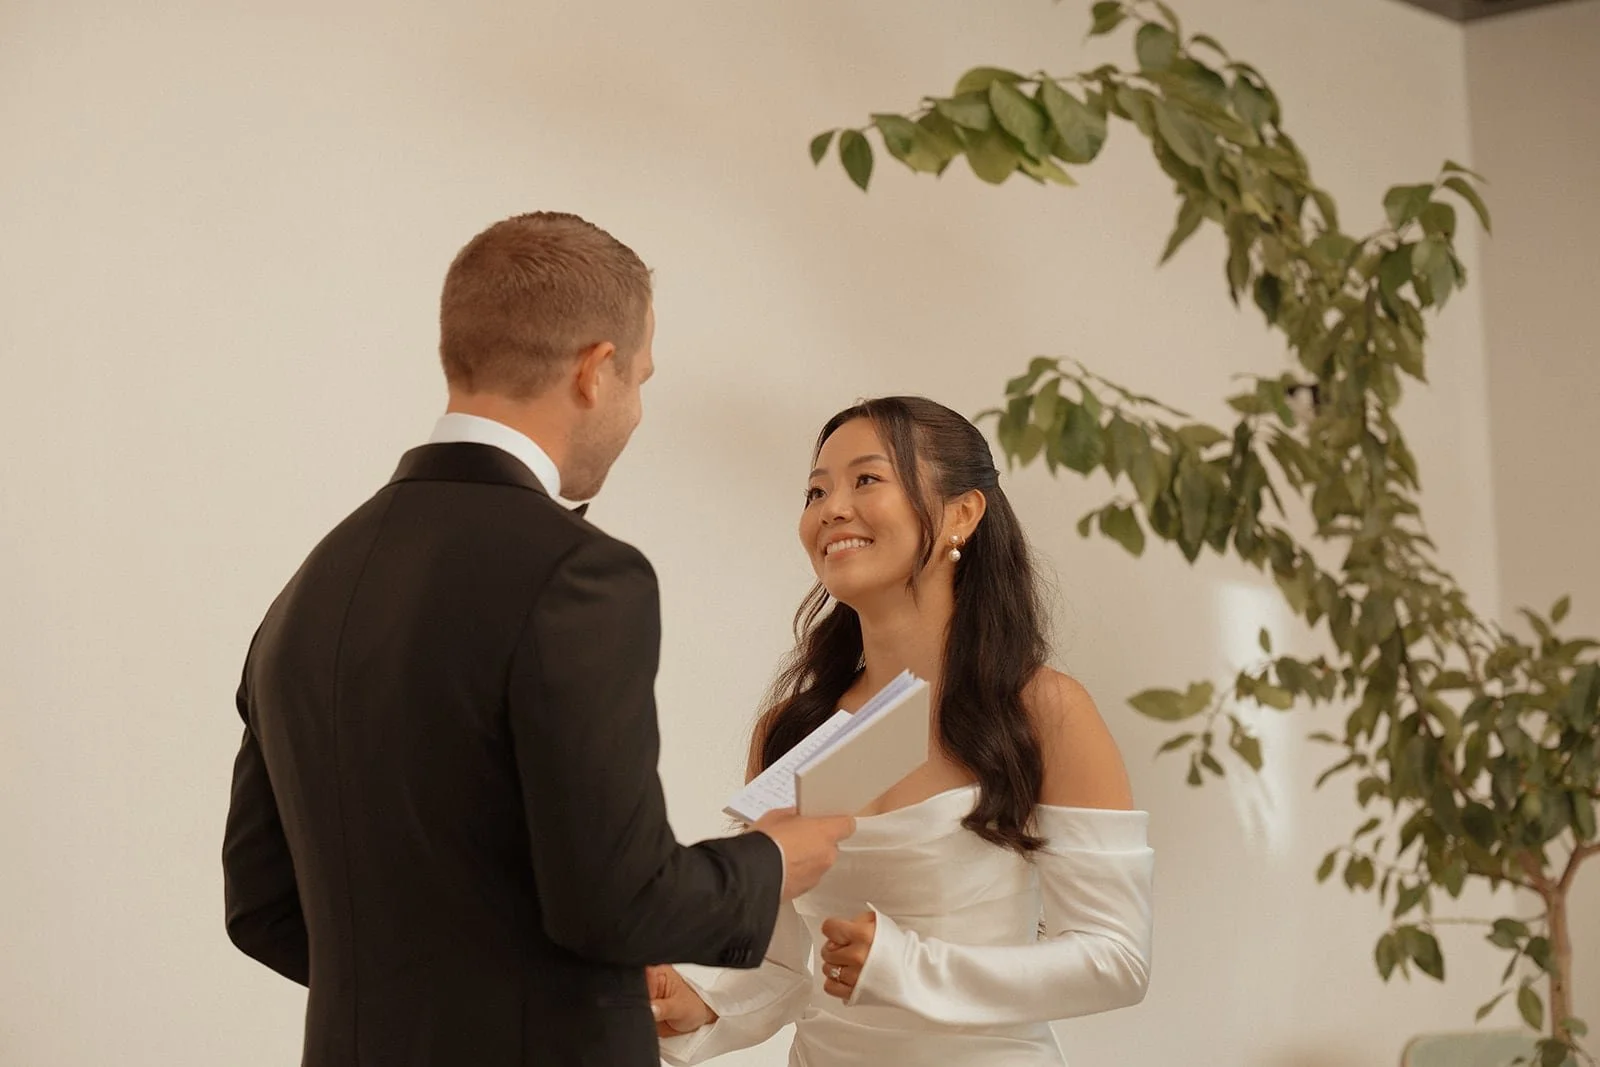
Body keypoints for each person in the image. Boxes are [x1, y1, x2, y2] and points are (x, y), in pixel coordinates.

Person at [221, 212, 855, 1067]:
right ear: (595, 370)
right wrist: (770, 859)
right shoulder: (580, 573)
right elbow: (617, 899)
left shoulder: (311, 586)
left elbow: (262, 907)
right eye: (640, 379)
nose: (636, 411)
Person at [647, 396, 1155, 1066]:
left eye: (866, 479)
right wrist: (700, 1003)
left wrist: (908, 966)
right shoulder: (790, 730)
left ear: (962, 513)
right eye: (816, 490)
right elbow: (777, 966)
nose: (832, 508)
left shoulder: (1043, 710)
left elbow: (1116, 958)